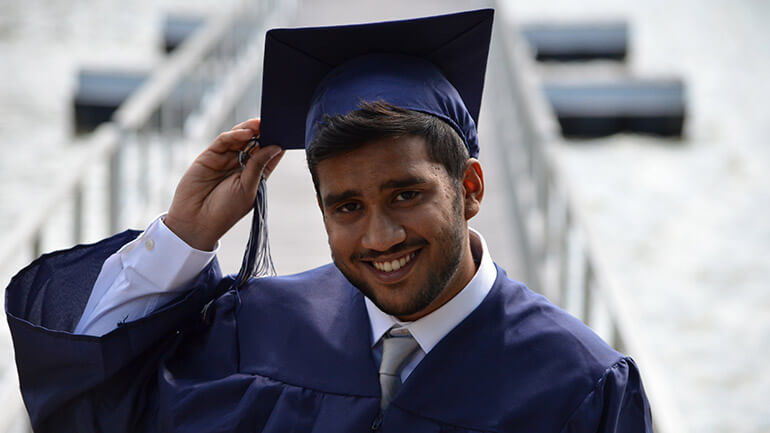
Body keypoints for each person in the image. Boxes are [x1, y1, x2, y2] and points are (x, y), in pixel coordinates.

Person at [5, 9, 652, 433]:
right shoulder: (253, 329)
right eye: (347, 206)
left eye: (406, 194)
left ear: (471, 188)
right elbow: (91, 405)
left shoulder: (584, 386)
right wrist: (183, 235)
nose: (379, 235)